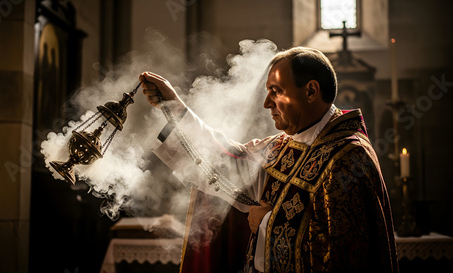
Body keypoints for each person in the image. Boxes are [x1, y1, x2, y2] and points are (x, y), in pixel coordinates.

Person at [140, 46, 399, 273]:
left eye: (275, 91)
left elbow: (346, 255)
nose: (266, 103)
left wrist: (266, 223)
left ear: (310, 91)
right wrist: (174, 106)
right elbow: (227, 163)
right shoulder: (284, 145)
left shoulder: (348, 157)